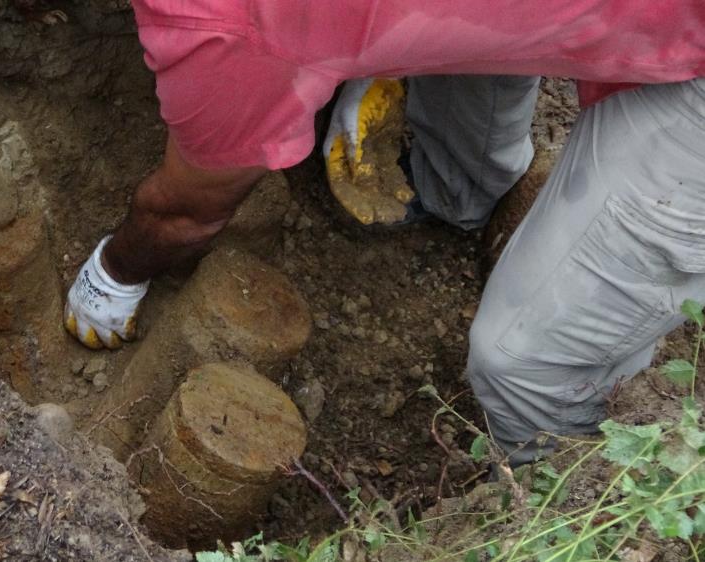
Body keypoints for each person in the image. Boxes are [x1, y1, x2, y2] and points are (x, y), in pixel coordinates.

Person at [62, 0, 705, 464]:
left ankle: (550, 483)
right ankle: (462, 191)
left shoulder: (233, 22)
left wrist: (115, 273)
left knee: (521, 362)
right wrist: (376, 40)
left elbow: (183, 213)